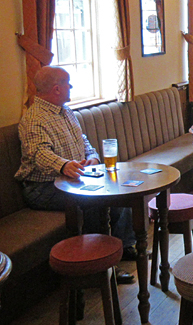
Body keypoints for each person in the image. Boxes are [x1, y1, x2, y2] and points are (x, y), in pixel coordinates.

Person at [15, 65, 136, 283]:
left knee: (119, 192)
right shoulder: (34, 119)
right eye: (67, 83)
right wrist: (63, 166)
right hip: (43, 187)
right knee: (92, 204)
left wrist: (93, 157)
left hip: (72, 178)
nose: (70, 87)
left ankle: (124, 246)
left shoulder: (66, 111)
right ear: (56, 89)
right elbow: (38, 153)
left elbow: (84, 141)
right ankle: (102, 267)